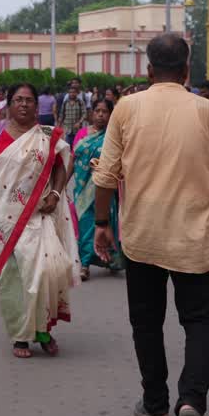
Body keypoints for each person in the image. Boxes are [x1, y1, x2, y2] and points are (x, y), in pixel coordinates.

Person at [91, 33, 209, 416]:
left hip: (142, 237)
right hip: (195, 237)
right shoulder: (207, 110)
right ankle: (191, 401)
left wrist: (101, 224)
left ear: (148, 71)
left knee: (147, 322)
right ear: (187, 70)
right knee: (201, 322)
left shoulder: (128, 107)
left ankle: (155, 404)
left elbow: (106, 175)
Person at [0, 82, 78, 359]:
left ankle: (42, 329)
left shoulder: (47, 136)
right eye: (18, 100)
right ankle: (21, 335)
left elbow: (65, 163)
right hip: (0, 218)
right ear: (9, 103)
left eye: (29, 100)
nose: (24, 104)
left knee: (48, 270)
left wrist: (54, 191)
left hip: (38, 214)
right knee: (14, 278)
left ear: (36, 104)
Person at [73, 97, 124, 281]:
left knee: (105, 222)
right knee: (86, 225)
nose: (101, 115)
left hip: (106, 188)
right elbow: (73, 160)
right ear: (91, 113)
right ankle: (84, 265)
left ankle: (110, 259)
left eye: (105, 111)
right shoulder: (82, 135)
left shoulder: (113, 136)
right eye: (97, 111)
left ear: (111, 114)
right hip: (82, 189)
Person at [58, 82, 86, 147]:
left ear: (76, 93)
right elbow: (62, 115)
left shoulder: (80, 102)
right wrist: (59, 125)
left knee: (77, 147)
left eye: (73, 92)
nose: (72, 94)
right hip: (67, 130)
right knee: (67, 147)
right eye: (70, 92)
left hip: (77, 130)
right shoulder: (65, 102)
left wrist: (79, 122)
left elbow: (84, 114)